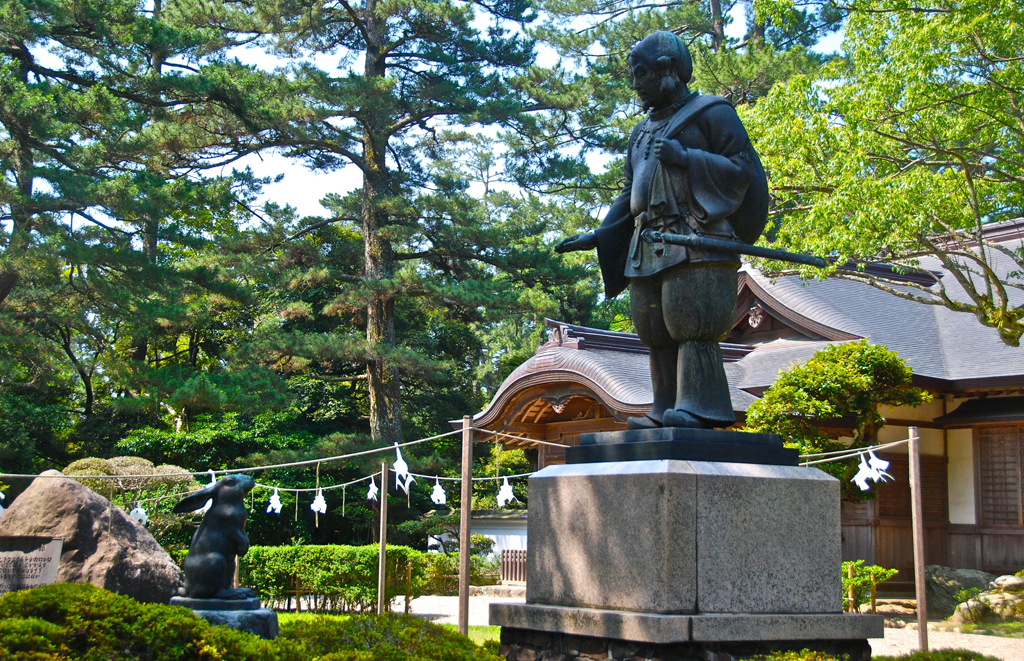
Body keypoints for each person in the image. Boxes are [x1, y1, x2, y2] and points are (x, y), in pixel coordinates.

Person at [556, 30, 769, 430]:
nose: (636, 84)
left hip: (697, 239)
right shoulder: (640, 132)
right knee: (654, 329)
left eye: (641, 73)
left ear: (668, 69)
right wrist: (600, 234)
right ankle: (664, 407)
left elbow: (742, 171)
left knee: (693, 324)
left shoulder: (712, 112)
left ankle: (700, 407)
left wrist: (687, 158)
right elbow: (628, 194)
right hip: (647, 242)